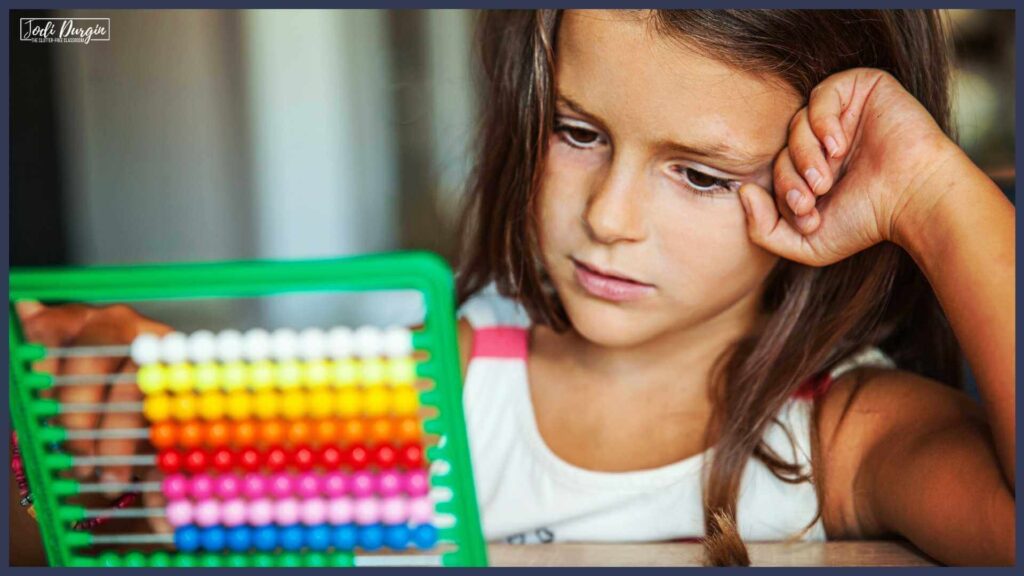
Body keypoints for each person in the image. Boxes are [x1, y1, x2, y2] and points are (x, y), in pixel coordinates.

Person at [13, 9, 1014, 566]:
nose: (609, 216)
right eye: (578, 132)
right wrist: (105, 435)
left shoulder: (846, 439)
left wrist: (933, 198)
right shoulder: (446, 382)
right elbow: (117, 519)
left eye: (700, 175)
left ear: (829, 184)